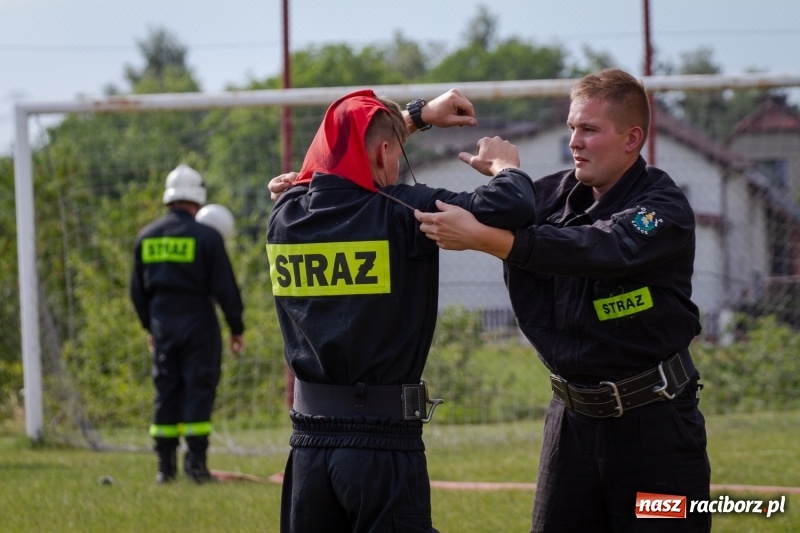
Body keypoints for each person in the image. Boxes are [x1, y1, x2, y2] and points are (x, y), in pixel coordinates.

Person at [415, 68, 711, 532]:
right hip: (569, 429)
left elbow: (600, 248)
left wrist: (488, 240)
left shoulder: (664, 208)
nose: (574, 141)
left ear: (632, 138)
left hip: (655, 432)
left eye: (589, 130)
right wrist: (319, 190)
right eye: (572, 127)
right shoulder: (545, 197)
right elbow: (428, 206)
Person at [266, 88, 535, 532]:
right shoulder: (403, 211)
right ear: (385, 152)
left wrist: (417, 117)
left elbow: (339, 159)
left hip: (308, 447)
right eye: (392, 154)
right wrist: (506, 168)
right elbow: (514, 205)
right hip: (382, 444)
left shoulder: (285, 214)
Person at [130, 164, 245, 484]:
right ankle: (196, 465)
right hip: (199, 328)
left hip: (163, 326)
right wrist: (236, 327)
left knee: (165, 391)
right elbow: (226, 288)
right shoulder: (207, 237)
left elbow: (137, 292)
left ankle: (164, 469)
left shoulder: (146, 237)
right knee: (199, 389)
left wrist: (150, 327)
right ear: (198, 198)